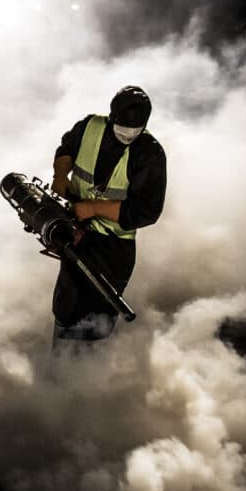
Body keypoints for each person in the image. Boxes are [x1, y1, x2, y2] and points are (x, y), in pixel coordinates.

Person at [50, 85, 166, 342]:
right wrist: (60, 174)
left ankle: (91, 374)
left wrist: (92, 208)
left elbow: (147, 211)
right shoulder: (90, 126)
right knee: (67, 306)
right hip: (77, 234)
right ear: (112, 118)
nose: (127, 136)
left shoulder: (150, 153)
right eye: (123, 130)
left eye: (134, 133)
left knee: (98, 316)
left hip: (114, 249)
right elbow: (66, 147)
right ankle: (59, 368)